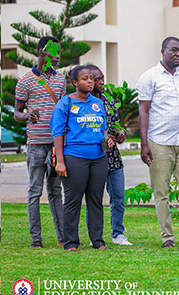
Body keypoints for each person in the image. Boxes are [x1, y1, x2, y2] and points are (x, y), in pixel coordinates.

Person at [136, 36, 179, 248]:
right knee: (161, 192)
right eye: (174, 50)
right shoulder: (149, 77)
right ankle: (167, 237)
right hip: (158, 141)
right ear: (163, 51)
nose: (178, 54)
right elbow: (144, 111)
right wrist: (144, 144)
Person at [14, 36, 67, 248]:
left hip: (56, 145)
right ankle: (36, 239)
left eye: (59, 53)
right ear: (41, 52)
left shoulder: (61, 80)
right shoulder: (25, 81)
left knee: (55, 191)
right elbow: (17, 113)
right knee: (34, 192)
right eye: (53, 52)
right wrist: (28, 116)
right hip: (36, 144)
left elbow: (63, 109)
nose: (56, 57)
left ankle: (63, 237)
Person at [51, 65, 112, 251]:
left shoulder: (98, 103)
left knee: (95, 199)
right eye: (85, 79)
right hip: (74, 157)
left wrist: (107, 139)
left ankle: (98, 241)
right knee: (73, 200)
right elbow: (57, 134)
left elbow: (102, 128)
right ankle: (71, 242)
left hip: (98, 158)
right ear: (74, 83)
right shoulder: (65, 103)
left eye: (91, 78)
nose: (90, 81)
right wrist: (60, 161)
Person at [87, 65, 130, 245]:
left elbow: (117, 124)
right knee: (94, 199)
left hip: (113, 157)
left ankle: (118, 233)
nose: (102, 82)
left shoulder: (108, 99)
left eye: (102, 78)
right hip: (94, 157)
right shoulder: (84, 103)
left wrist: (120, 134)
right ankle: (94, 236)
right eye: (97, 79)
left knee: (118, 197)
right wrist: (103, 136)